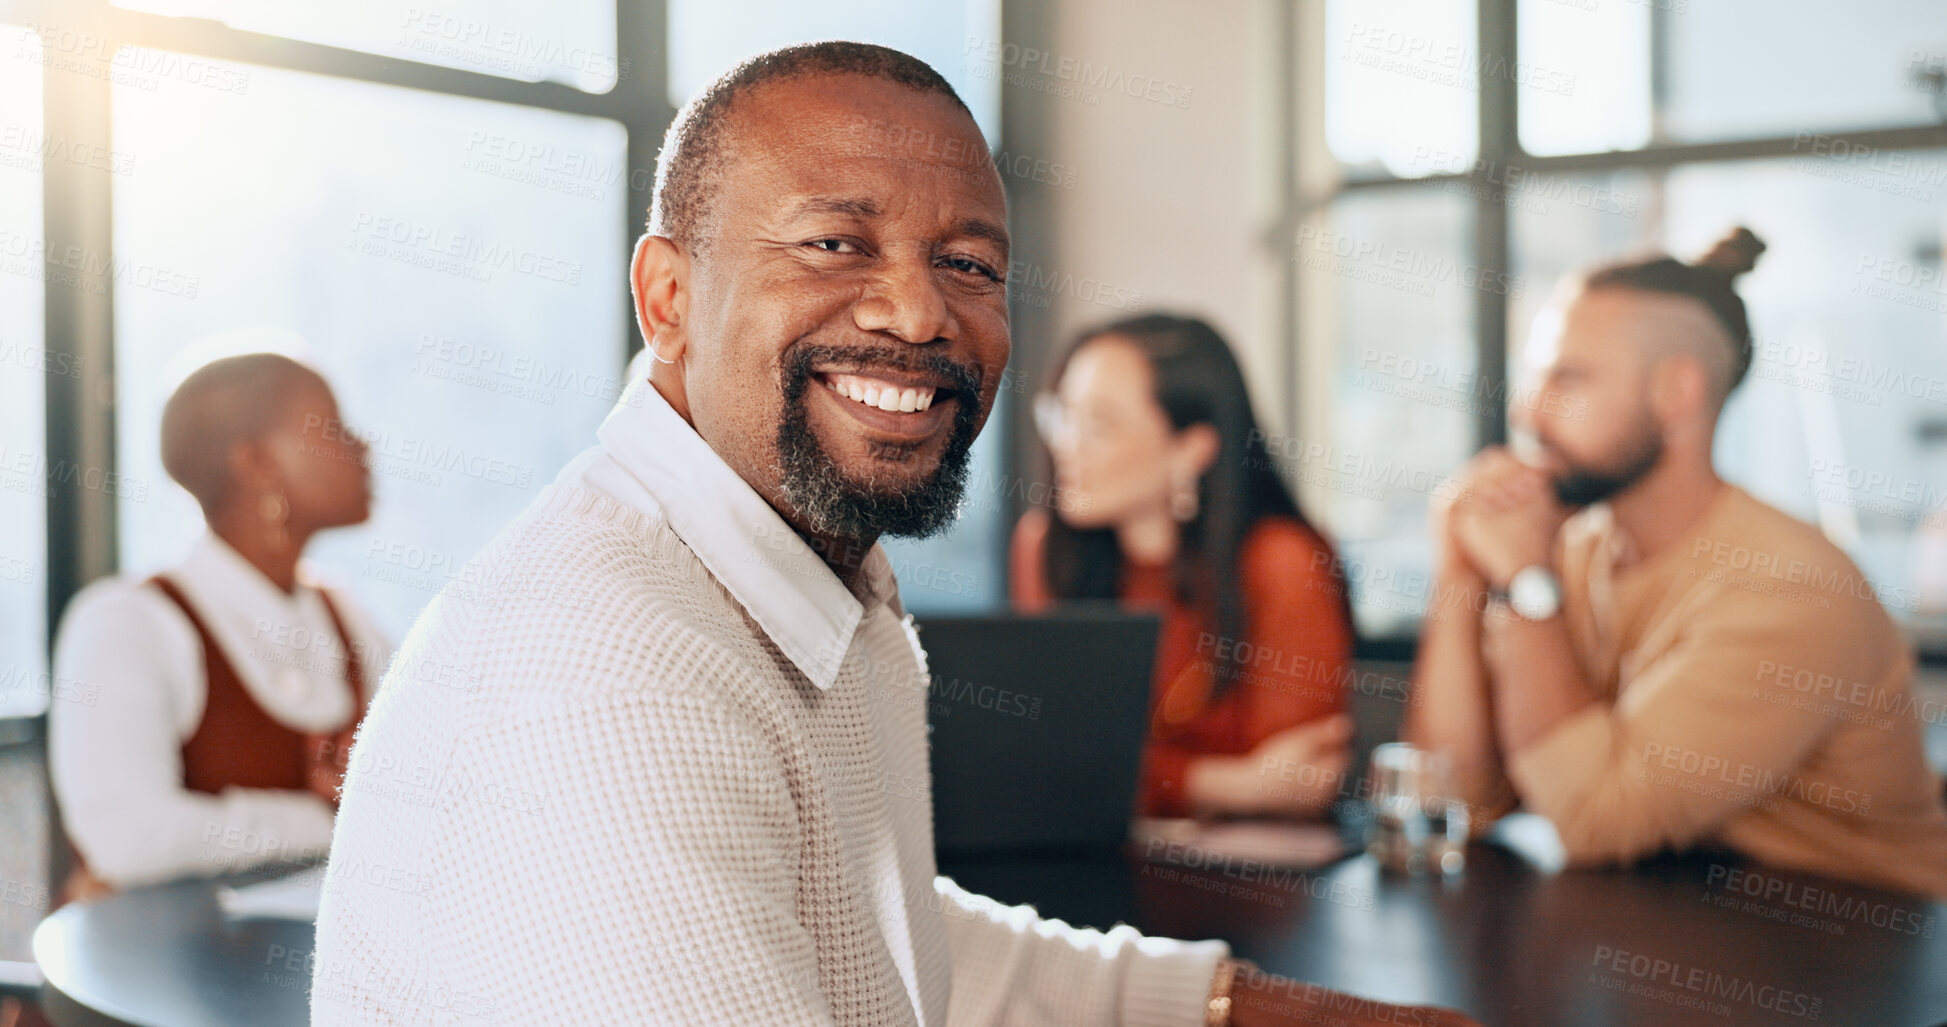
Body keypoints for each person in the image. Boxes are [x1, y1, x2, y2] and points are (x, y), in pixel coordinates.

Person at [313, 43, 1476, 1027]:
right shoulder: (615, 676)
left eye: (969, 264)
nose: (918, 314)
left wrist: (1251, 1006)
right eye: (836, 243)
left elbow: (888, 936)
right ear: (668, 299)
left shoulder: (805, 569)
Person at [1404, 227, 1947, 899]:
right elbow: (1457, 800)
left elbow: (1592, 821)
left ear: (1675, 392)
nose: (1524, 410)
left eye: (1565, 377)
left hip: (1870, 952)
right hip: (1679, 917)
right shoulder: (1571, 548)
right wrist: (1457, 567)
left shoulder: (1792, 586)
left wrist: (1525, 586)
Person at [48, 353, 387, 898]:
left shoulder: (345, 614)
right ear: (257, 462)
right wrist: (330, 819)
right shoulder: (125, 621)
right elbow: (126, 839)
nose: (362, 445)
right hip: (152, 974)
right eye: (333, 428)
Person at [1012, 314, 1354, 820]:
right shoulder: (1045, 548)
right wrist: (1224, 784)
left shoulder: (1284, 561)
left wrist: (1131, 778)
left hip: (1249, 883)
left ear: (1189, 448)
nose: (1064, 443)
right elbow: (1044, 762)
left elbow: (1302, 783)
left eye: (1098, 425)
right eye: (1060, 415)